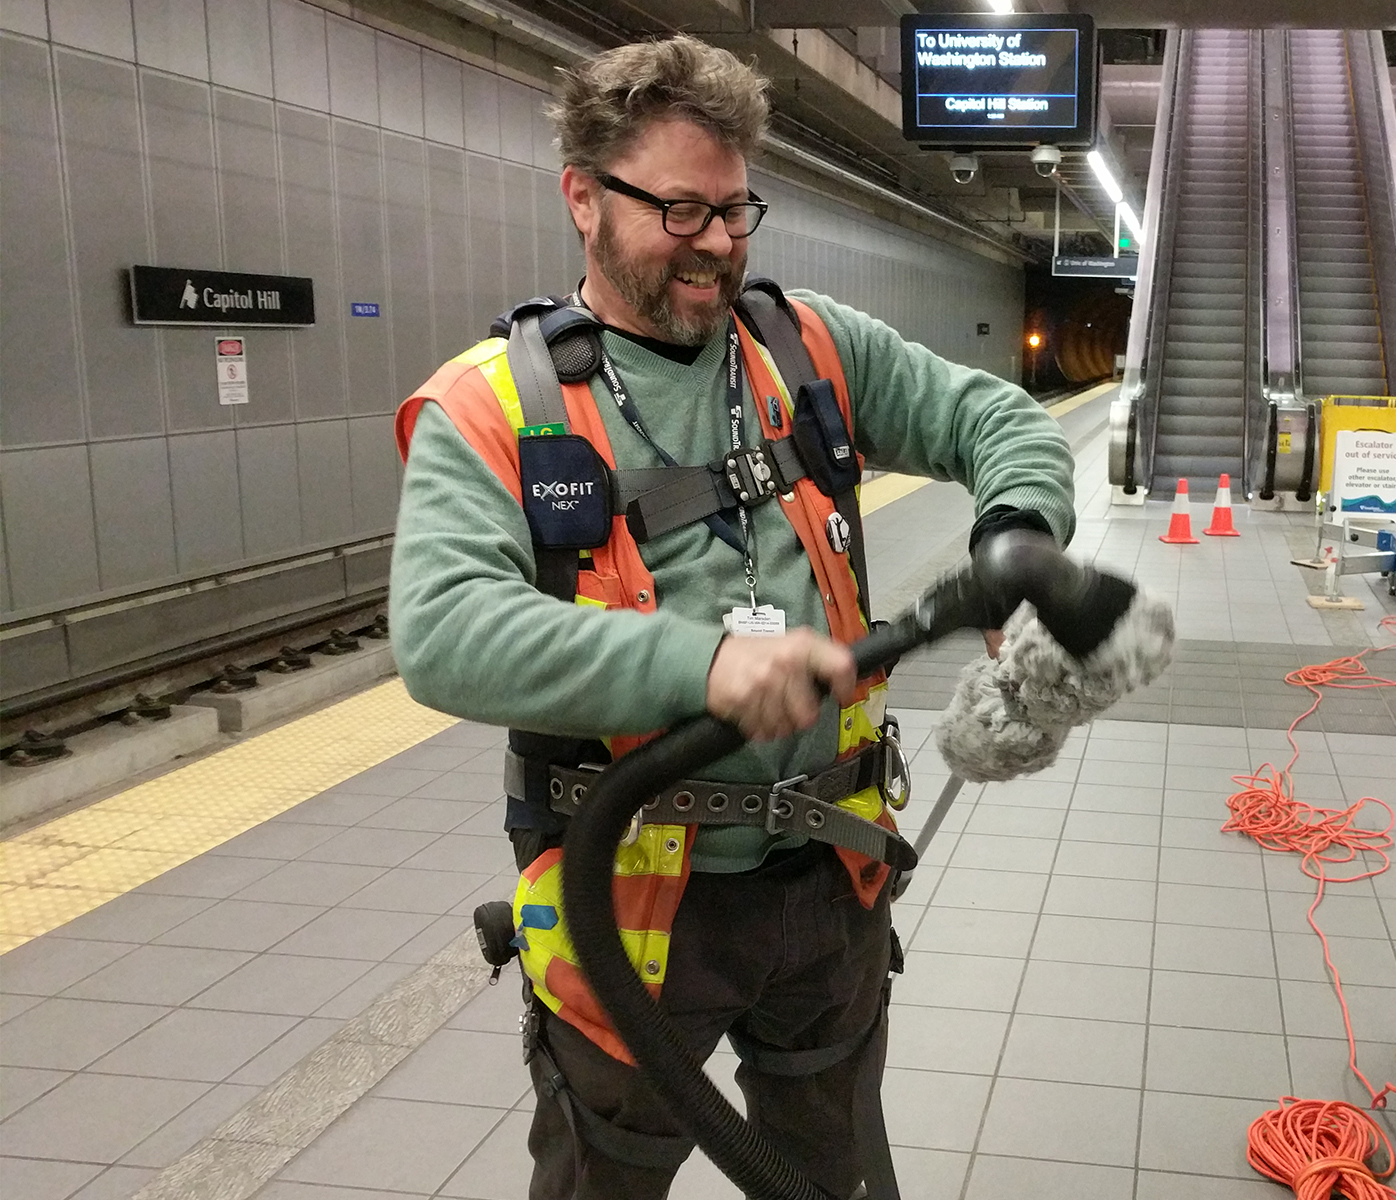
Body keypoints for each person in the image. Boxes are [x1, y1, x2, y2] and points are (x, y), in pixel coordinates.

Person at [387, 36, 1075, 1200]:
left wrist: (1014, 538)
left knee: (823, 1175)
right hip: (634, 902)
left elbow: (997, 420)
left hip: (830, 877)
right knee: (603, 1179)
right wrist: (698, 665)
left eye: (736, 208)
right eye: (680, 209)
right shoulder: (495, 406)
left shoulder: (803, 348)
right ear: (583, 200)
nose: (716, 240)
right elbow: (445, 632)